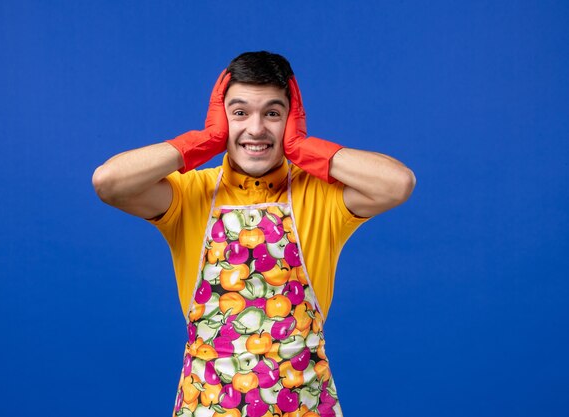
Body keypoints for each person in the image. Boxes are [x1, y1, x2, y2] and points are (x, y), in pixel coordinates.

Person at [92, 51, 415, 417]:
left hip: (303, 405)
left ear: (292, 120)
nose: (257, 129)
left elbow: (398, 183)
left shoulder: (320, 195)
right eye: (240, 113)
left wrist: (303, 149)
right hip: (209, 405)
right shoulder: (190, 194)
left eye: (273, 113)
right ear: (220, 118)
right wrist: (204, 141)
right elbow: (109, 183)